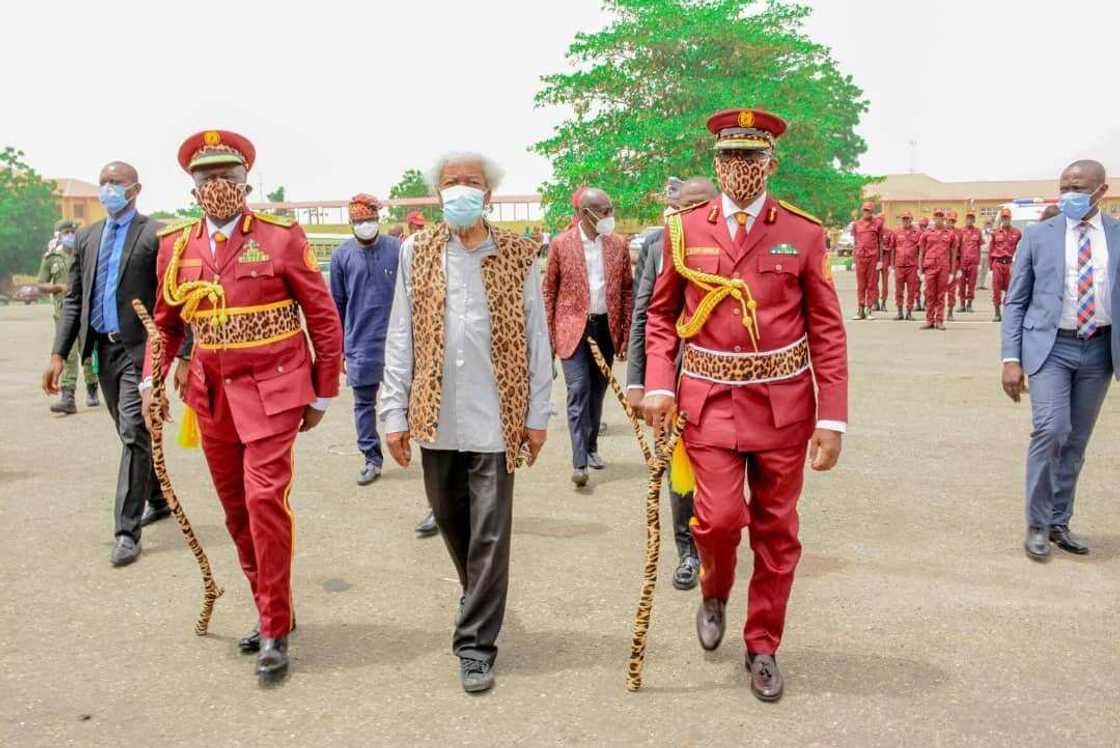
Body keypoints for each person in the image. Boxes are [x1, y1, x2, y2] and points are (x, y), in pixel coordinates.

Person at [642, 108, 848, 702]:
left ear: (770, 164)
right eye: (730, 158)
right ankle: (714, 588)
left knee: (776, 531)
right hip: (707, 403)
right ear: (715, 163)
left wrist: (831, 417)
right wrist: (659, 381)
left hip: (784, 407)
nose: (740, 169)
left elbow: (828, 331)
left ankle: (763, 644)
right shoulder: (683, 231)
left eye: (752, 158)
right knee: (720, 520)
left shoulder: (804, 234)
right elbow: (660, 317)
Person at [141, 130, 343, 681]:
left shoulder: (280, 237)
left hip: (274, 391)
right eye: (207, 179)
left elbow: (321, 317)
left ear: (246, 181)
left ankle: (275, 628)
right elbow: (165, 326)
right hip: (210, 397)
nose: (218, 187)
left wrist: (324, 389)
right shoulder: (175, 247)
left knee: (264, 503)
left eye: (227, 176)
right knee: (235, 513)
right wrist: (151, 383)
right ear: (192, 188)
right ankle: (270, 603)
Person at [379, 152, 551, 694]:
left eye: (470, 183)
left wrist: (537, 415)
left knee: (491, 532)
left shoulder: (520, 255)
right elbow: (401, 333)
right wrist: (393, 411)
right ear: (437, 193)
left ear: (489, 194)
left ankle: (475, 644)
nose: (460, 191)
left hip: (499, 417)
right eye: (451, 183)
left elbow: (536, 338)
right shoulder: (417, 251)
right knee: (452, 521)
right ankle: (475, 593)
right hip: (436, 414)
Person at [42, 161, 174, 567]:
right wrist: (58, 352)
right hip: (103, 351)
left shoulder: (155, 235)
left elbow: (171, 299)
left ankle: (125, 531)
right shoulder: (87, 237)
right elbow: (74, 299)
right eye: (103, 183)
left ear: (136, 188)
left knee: (135, 429)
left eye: (115, 183)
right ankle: (155, 497)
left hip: (140, 350)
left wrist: (179, 354)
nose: (107, 190)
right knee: (128, 432)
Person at [1001, 159, 1118, 562]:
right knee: (1052, 429)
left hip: (1099, 350)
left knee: (1075, 441)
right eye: (1065, 186)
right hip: (1050, 347)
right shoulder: (1038, 236)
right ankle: (1036, 523)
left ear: (1101, 192)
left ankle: (1058, 521)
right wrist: (1010, 358)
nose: (1069, 193)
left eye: (1078, 187)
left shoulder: (1117, 236)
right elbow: (1016, 301)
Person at [626, 176, 718, 590]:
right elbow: (644, 315)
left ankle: (718, 540)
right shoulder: (658, 245)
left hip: (724, 377)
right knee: (679, 468)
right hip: (672, 378)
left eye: (702, 204)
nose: (692, 212)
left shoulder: (734, 241)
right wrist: (637, 382)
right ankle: (688, 552)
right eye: (686, 205)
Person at [543, 188, 634, 487]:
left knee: (597, 392)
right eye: (604, 211)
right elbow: (549, 292)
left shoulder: (618, 245)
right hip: (572, 330)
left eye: (610, 209)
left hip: (605, 328)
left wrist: (624, 335)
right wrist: (549, 342)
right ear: (585, 214)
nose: (609, 216)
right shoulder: (560, 244)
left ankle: (592, 446)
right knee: (578, 389)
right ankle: (579, 460)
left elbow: (626, 292)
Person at [38, 219, 98, 413]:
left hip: (87, 314)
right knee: (68, 354)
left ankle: (92, 388)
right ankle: (68, 397)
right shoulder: (52, 258)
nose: (70, 235)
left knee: (88, 353)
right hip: (63, 314)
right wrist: (58, 287)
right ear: (59, 234)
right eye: (66, 232)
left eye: (73, 231)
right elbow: (41, 284)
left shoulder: (87, 253)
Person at [917, 209, 954, 330]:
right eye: (936, 216)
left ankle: (939, 320)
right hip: (930, 267)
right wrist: (920, 270)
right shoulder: (927, 234)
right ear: (933, 218)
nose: (938, 218)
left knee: (941, 295)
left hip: (943, 268)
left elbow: (953, 254)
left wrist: (952, 272)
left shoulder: (950, 234)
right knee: (929, 294)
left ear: (944, 218)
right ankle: (929, 320)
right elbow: (921, 251)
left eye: (941, 216)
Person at [989, 208, 1022, 321]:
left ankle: (1008, 313)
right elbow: (991, 249)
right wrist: (991, 266)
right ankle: (997, 313)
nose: (1005, 220)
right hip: (998, 263)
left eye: (1007, 217)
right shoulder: (995, 233)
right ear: (1001, 219)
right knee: (996, 290)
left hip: (1010, 264)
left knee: (1011, 290)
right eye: (1003, 218)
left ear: (1010, 218)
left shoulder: (1017, 233)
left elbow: (1020, 250)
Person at [851, 201, 882, 320]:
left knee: (871, 284)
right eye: (864, 210)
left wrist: (880, 260)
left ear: (872, 211)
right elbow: (855, 242)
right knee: (861, 284)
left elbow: (880, 242)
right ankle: (860, 309)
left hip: (872, 257)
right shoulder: (856, 224)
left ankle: (869, 309)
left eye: (868, 210)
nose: (866, 212)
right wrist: (854, 259)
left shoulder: (878, 224)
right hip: (860, 257)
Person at [891, 211, 921, 320]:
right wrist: (892, 266)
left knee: (911, 290)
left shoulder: (917, 232)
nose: (905, 221)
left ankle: (909, 312)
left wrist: (919, 266)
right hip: (899, 265)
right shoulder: (896, 232)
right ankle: (899, 312)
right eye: (904, 219)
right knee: (899, 290)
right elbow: (893, 249)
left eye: (907, 219)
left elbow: (920, 250)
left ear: (911, 219)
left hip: (912, 266)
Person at [958, 211, 984, 312]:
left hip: (973, 263)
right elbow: (957, 247)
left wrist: (979, 262)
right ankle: (962, 305)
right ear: (965, 219)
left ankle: (969, 305)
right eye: (968, 218)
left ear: (974, 220)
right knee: (961, 285)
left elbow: (979, 247)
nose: (970, 220)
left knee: (972, 285)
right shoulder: (960, 231)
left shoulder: (978, 231)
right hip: (962, 263)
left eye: (971, 218)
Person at [944, 211, 963, 321]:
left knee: (952, 290)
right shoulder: (940, 231)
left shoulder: (959, 233)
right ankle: (937, 312)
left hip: (955, 263)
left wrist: (960, 267)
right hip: (942, 263)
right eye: (949, 220)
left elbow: (962, 250)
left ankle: (950, 313)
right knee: (939, 290)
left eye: (953, 221)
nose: (950, 222)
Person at [978, 218, 994, 289]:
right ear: (984, 225)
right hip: (981, 253)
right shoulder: (980, 233)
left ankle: (982, 284)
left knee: (985, 270)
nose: (988, 225)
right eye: (987, 224)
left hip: (988, 253)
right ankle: (977, 285)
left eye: (989, 224)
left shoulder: (992, 234)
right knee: (979, 269)